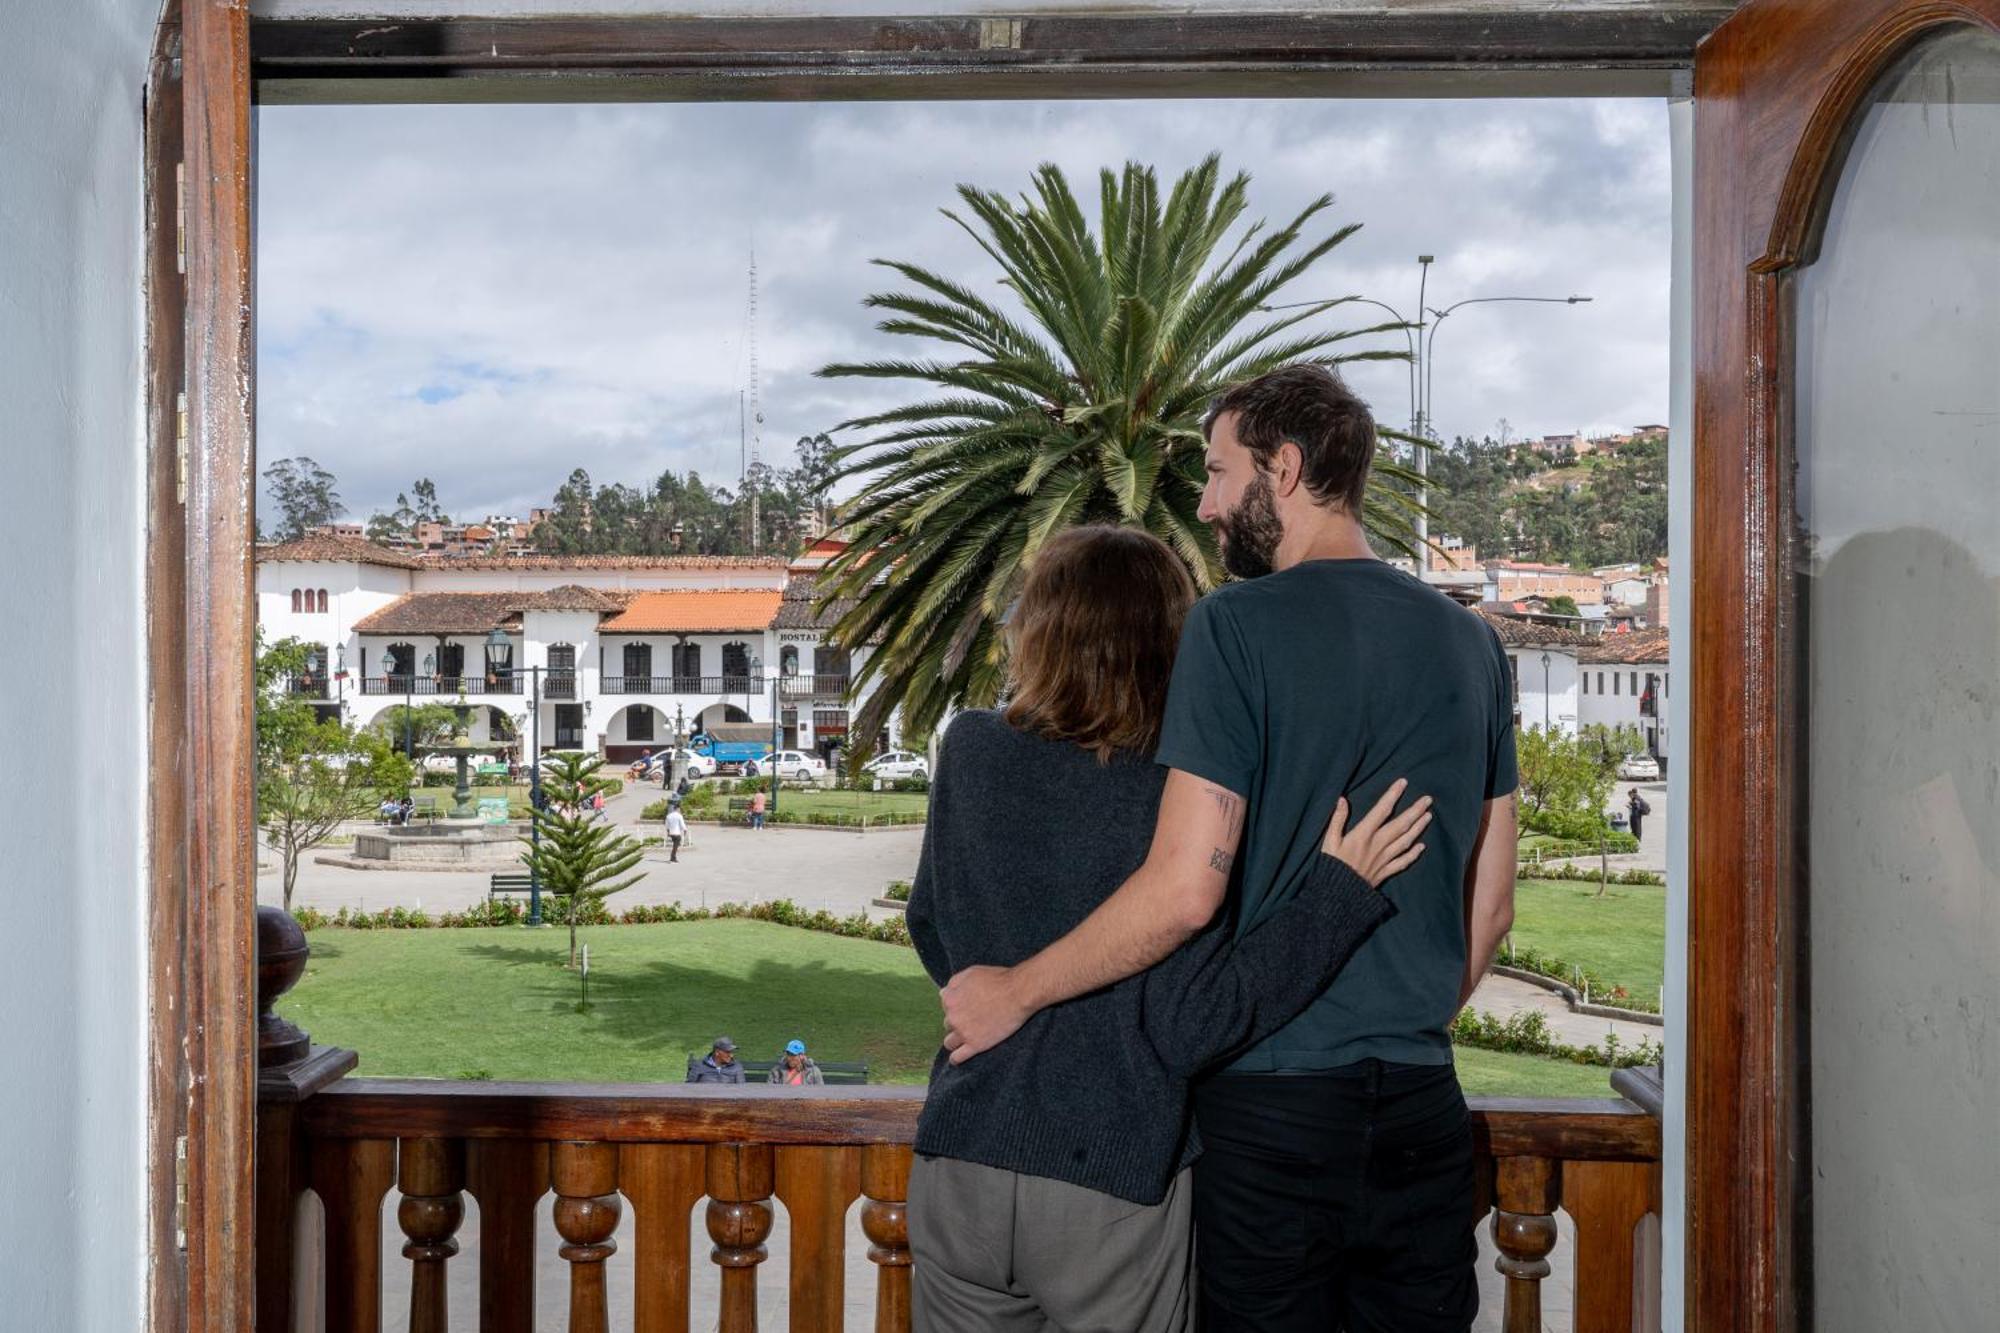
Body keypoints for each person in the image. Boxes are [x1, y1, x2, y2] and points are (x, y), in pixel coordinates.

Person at [938, 365, 1520, 1332]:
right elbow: (1490, 907)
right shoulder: (1473, 643)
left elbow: (1183, 892)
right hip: (1422, 1106)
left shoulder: (1233, 626)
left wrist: (1019, 988)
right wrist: (1401, 1020)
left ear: (1282, 469)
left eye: (1216, 472)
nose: (1204, 505)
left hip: (1270, 1113)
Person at [906, 525, 1429, 1333]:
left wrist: (1006, 1002)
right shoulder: (1176, 800)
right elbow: (1195, 1021)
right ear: (1172, 642)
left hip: (961, 1157)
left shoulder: (971, 748)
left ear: (1039, 628)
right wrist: (1338, 893)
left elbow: (932, 922)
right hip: (1109, 1179)